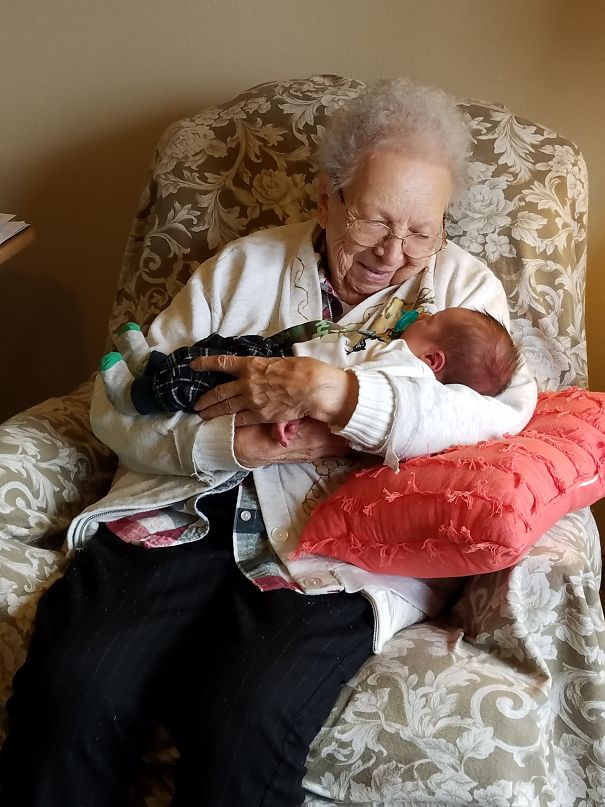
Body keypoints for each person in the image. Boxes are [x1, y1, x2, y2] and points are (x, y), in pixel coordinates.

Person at [0, 78, 537, 807]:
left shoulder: (464, 293)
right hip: (182, 511)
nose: (394, 252)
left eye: (421, 230)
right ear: (327, 199)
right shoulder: (243, 268)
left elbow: (498, 416)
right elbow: (118, 407)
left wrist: (341, 397)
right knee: (74, 689)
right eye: (376, 221)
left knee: (246, 719)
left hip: (337, 549)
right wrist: (230, 446)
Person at [100, 306, 520, 447]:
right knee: (213, 350)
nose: (425, 313)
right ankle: (152, 364)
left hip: (282, 369)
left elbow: (341, 395)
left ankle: (136, 397)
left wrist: (298, 406)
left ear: (434, 361)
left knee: (201, 386)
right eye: (374, 220)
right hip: (279, 353)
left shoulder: (404, 369)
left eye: (420, 232)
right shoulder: (402, 350)